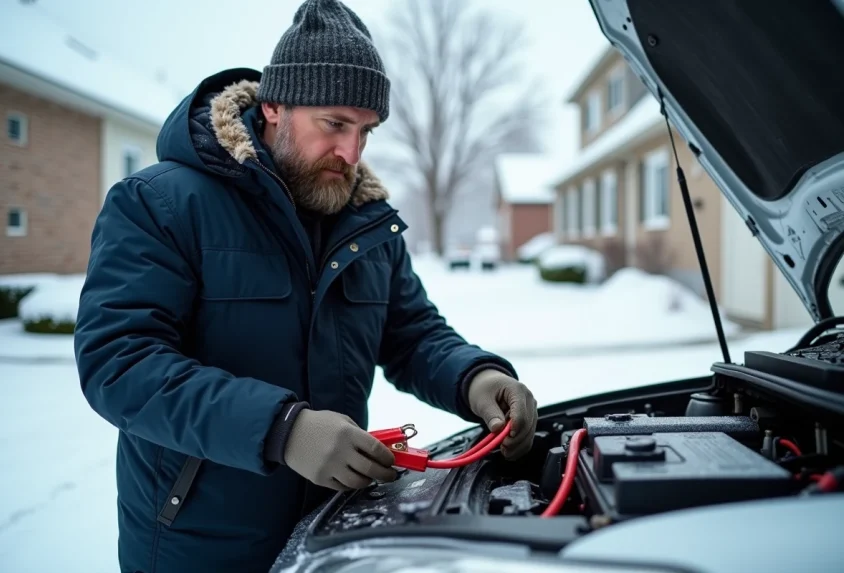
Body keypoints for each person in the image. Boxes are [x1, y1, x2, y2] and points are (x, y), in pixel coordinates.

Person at [73, 0, 538, 571]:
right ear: (274, 106)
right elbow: (119, 363)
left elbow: (413, 335)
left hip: (332, 534)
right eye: (334, 124)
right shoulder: (161, 204)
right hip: (198, 545)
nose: (351, 152)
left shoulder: (367, 223)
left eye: (365, 131)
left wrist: (475, 377)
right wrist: (281, 429)